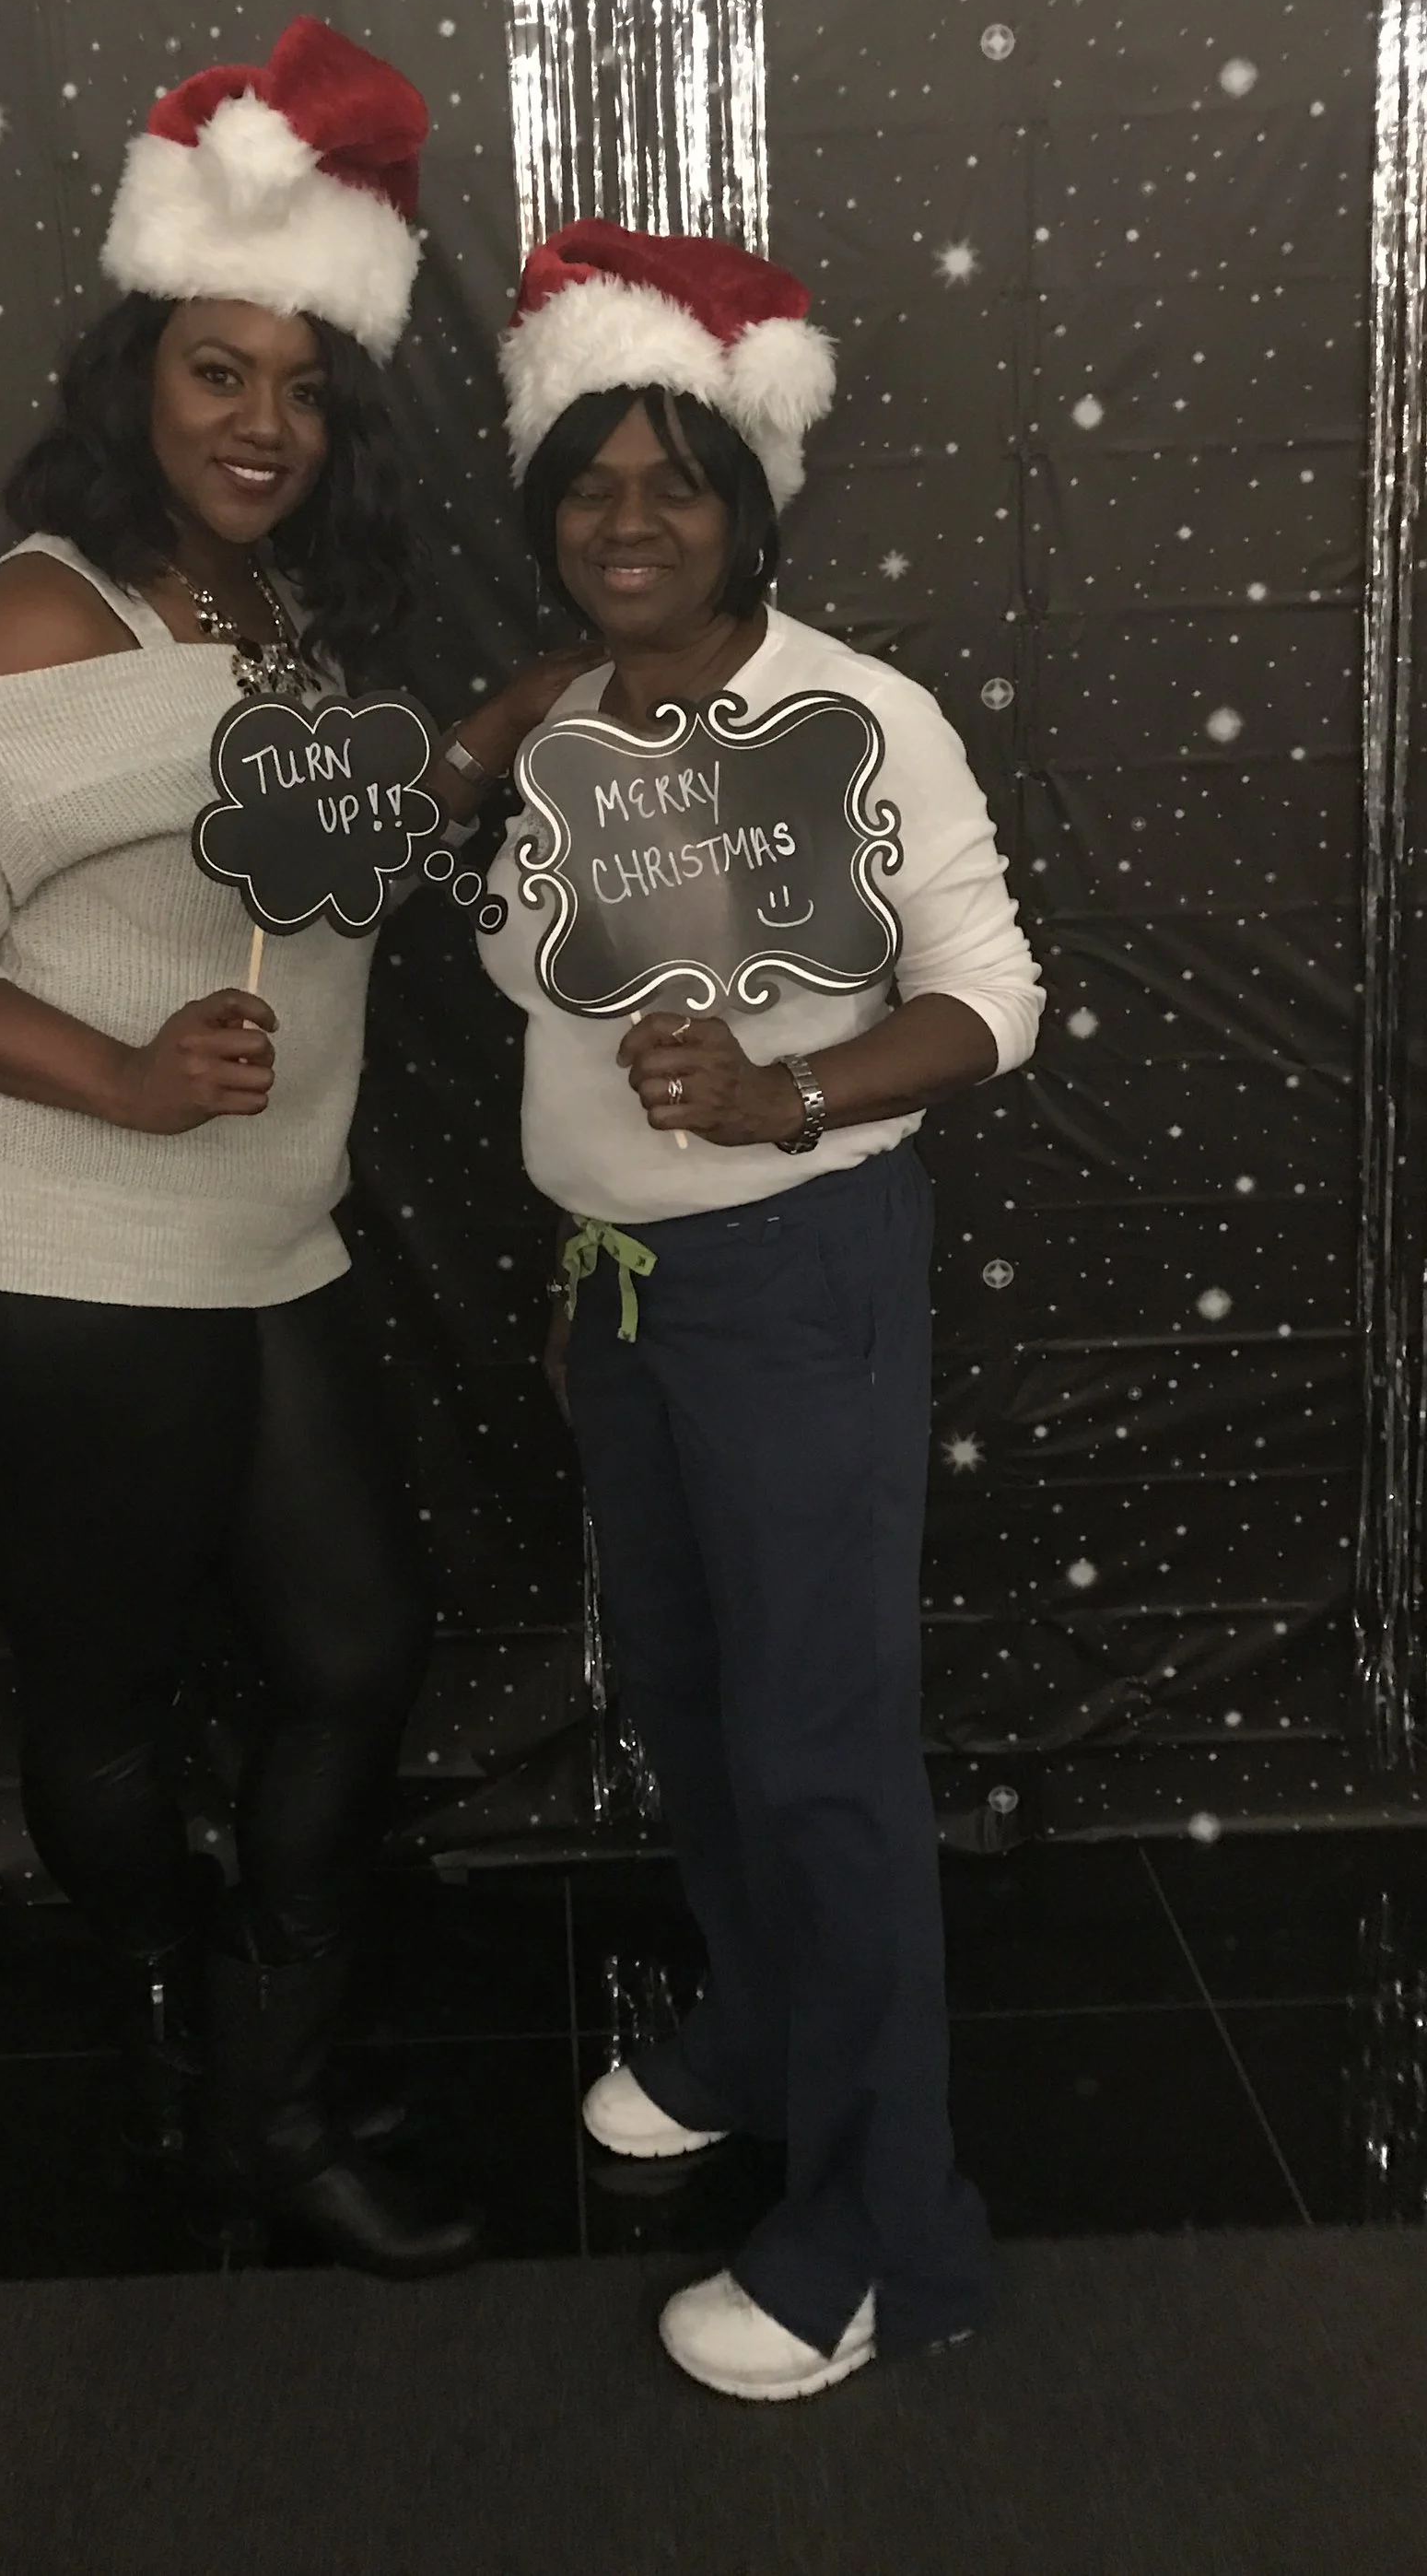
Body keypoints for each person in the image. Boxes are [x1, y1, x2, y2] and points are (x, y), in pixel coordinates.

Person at [0, 18, 567, 2278]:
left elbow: (306, 858)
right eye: (217, 372)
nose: (261, 421)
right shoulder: (41, 612)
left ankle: (257, 2082)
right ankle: (216, 2062)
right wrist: (121, 1074)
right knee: (110, 1704)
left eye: (303, 381)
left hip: (257, 1229)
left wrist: (478, 750)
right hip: (39, 1236)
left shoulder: (284, 614)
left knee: (350, 1650)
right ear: (141, 373)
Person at [474, 222, 1044, 2397]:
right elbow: (544, 972)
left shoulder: (860, 714)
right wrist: (526, 781)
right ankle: (753, 2027)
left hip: (795, 1277)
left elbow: (991, 994)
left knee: (818, 1762)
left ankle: (892, 2236)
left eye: (671, 485)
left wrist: (786, 1085)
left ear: (744, 506)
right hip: (619, 1294)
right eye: (587, 488)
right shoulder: (571, 735)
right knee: (699, 1712)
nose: (626, 523)